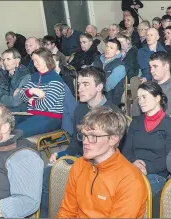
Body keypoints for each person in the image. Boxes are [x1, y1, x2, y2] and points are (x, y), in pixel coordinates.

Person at [40, 67, 121, 217]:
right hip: (82, 157)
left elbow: (116, 151)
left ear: (99, 87)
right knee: (48, 173)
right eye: (79, 84)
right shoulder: (80, 109)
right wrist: (61, 154)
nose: (80, 89)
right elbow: (76, 142)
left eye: (85, 84)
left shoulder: (112, 113)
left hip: (102, 164)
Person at [56, 107, 147, 218]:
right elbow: (67, 212)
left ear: (113, 140)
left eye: (93, 136)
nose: (85, 141)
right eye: (84, 135)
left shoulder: (130, 179)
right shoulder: (79, 165)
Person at [122, 81, 171, 195]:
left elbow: (169, 159)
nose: (140, 102)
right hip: (132, 168)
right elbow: (126, 150)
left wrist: (146, 168)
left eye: (144, 97)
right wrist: (134, 164)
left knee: (131, 189)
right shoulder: (136, 122)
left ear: (157, 98)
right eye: (139, 98)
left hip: (157, 174)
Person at [17, 48, 65, 138]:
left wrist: (31, 101)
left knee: (17, 132)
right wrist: (32, 91)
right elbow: (22, 97)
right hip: (31, 114)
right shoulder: (33, 77)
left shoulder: (55, 79)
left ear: (46, 60)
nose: (35, 64)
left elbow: (46, 104)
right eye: (33, 61)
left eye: (37, 60)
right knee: (7, 126)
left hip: (51, 117)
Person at [130, 51, 171, 118]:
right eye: (150, 67)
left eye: (155, 66)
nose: (151, 71)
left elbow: (162, 115)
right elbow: (134, 110)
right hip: (138, 122)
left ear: (166, 66)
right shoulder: (150, 84)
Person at [0, 48, 31, 113]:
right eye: (3, 60)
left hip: (20, 113)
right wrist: (3, 97)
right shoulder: (3, 74)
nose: (5, 62)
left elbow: (16, 101)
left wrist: (1, 97)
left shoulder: (26, 76)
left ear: (17, 61)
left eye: (8, 59)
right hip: (5, 110)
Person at [93, 39, 126, 106]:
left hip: (110, 101)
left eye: (111, 48)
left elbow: (107, 86)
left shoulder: (120, 67)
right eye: (107, 46)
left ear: (117, 52)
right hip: (94, 95)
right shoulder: (98, 60)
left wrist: (91, 88)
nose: (107, 49)